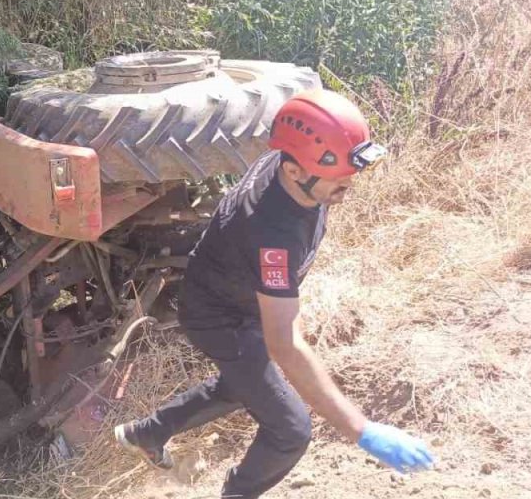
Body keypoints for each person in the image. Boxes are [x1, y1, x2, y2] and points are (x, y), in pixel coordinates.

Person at [113, 89, 435, 498]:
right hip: (220, 318)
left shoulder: (289, 167)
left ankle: (147, 433)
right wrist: (362, 429)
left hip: (230, 295)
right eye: (336, 178)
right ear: (295, 171)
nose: (348, 186)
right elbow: (286, 344)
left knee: (243, 386)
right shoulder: (274, 235)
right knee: (290, 430)